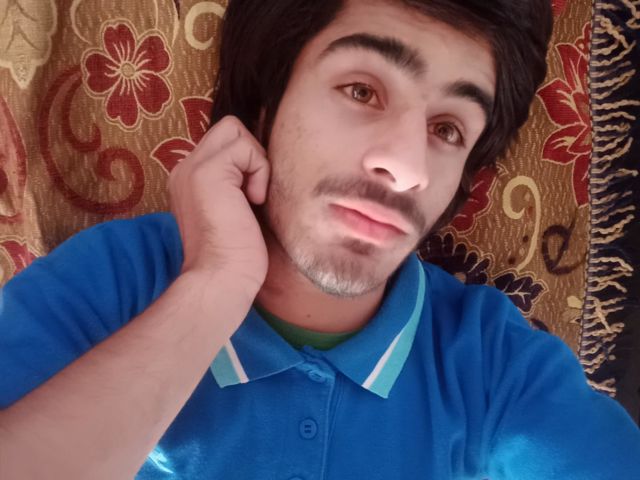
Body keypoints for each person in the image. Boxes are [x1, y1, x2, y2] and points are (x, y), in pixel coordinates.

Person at [1, 0, 639, 478]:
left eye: (447, 129)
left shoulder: (495, 365)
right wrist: (214, 287)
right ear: (264, 104)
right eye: (362, 91)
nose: (407, 167)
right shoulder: (107, 287)